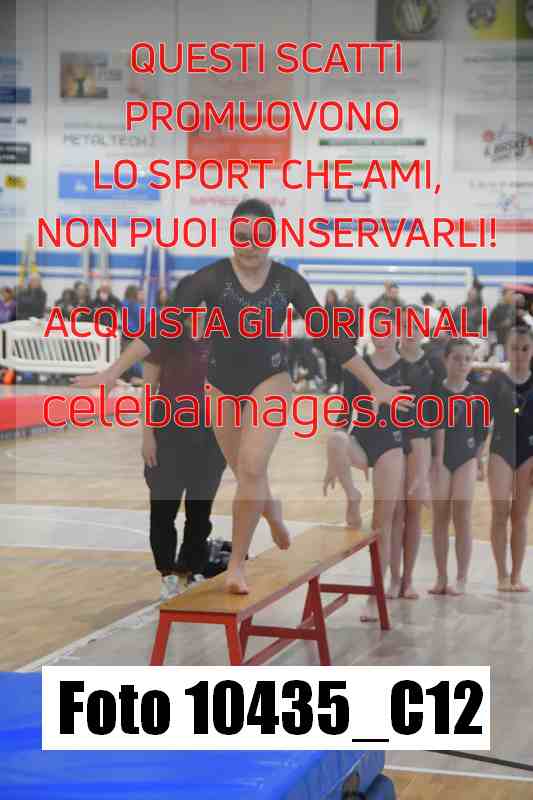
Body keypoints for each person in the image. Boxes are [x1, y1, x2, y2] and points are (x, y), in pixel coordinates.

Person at [74, 198, 412, 595]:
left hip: (270, 380)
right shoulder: (210, 279)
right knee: (246, 474)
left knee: (251, 466)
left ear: (273, 237)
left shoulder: (287, 282)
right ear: (232, 236)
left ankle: (236, 565)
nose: (251, 244)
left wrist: (375, 384)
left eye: (261, 235)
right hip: (220, 386)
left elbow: (329, 336)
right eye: (243, 235)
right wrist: (112, 372)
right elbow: (161, 329)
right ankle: (271, 510)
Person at [323, 312, 408, 619]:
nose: (381, 335)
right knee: (335, 439)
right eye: (376, 329)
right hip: (362, 440)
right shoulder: (357, 366)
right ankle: (353, 497)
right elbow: (344, 412)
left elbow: (414, 415)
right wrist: (333, 462)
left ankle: (375, 593)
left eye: (387, 329)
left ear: (397, 332)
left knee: (381, 525)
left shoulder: (406, 368)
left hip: (392, 445)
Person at [141, 312, 227, 600]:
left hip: (211, 437)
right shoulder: (165, 335)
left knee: (200, 510)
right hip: (168, 434)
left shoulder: (222, 337)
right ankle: (167, 573)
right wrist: (147, 435)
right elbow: (149, 389)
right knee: (163, 509)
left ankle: (191, 570)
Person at [388, 306, 442, 600]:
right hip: (392, 441)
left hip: (420, 441)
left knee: (413, 511)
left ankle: (408, 580)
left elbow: (439, 414)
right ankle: (393, 578)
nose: (410, 331)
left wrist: (436, 459)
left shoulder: (434, 364)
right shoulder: (388, 359)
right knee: (394, 511)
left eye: (416, 325)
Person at [430, 339, 488, 596]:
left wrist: (478, 462)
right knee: (440, 517)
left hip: (466, 458)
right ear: (446, 360)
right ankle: (441, 576)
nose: (462, 364)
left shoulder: (477, 395)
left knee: (462, 516)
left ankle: (462, 577)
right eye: (456, 358)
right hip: (440, 459)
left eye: (467, 359)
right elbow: (432, 430)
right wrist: (434, 462)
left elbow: (482, 433)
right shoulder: (435, 392)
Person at [482, 326, 533, 591]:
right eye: (514, 348)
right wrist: (477, 455)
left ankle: (516, 576)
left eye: (525, 348)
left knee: (520, 516)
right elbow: (482, 421)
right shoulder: (496, 380)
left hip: (528, 454)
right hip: (501, 451)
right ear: (506, 348)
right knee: (500, 513)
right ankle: (502, 575)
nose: (520, 354)